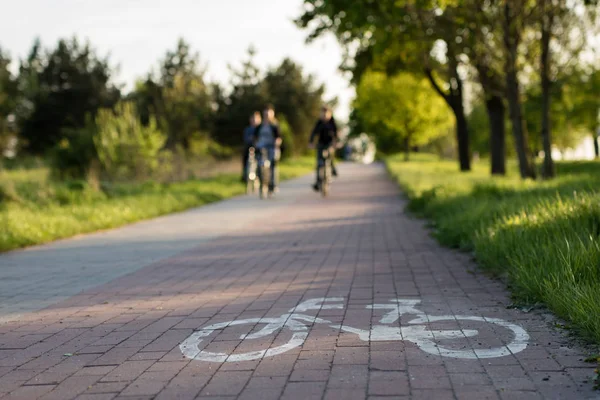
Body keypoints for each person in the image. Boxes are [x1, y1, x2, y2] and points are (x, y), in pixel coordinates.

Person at [253, 104, 282, 194]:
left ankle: (273, 185)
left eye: (268, 115)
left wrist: (277, 142)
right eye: (265, 114)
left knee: (273, 165)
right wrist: (255, 144)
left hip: (272, 148)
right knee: (259, 164)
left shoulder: (274, 125)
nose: (267, 116)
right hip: (261, 148)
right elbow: (255, 137)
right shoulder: (260, 126)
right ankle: (261, 182)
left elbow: (279, 137)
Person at [309, 105, 338, 192]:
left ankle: (333, 170)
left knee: (330, 155)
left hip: (329, 144)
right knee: (319, 162)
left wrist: (336, 142)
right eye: (323, 113)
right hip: (321, 144)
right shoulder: (319, 122)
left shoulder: (332, 122)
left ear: (330, 114)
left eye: (326, 114)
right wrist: (311, 142)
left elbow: (336, 134)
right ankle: (318, 181)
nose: (324, 115)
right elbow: (313, 133)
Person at [242, 112, 261, 182]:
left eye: (255, 118)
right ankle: (245, 175)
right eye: (252, 118)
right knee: (245, 156)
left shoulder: (261, 128)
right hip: (250, 148)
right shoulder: (247, 129)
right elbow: (246, 139)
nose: (254, 120)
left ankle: (259, 175)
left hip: (259, 148)